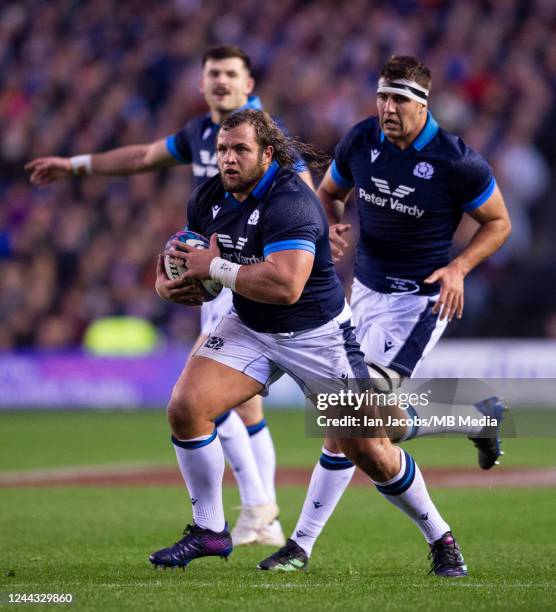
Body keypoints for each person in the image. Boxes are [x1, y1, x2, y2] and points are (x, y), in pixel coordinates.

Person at [147, 108, 467, 578]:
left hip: (317, 337)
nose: (228, 159)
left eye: (240, 150)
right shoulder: (208, 197)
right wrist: (167, 285)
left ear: (268, 154)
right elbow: (188, 263)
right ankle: (209, 529)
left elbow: (286, 286)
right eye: (221, 150)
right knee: (185, 406)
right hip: (250, 327)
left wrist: (212, 270)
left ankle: (441, 536)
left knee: (371, 450)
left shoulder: (292, 202)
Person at [25, 45, 314, 547]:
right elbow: (141, 157)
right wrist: (75, 165)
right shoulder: (199, 133)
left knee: (360, 424)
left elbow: (301, 192)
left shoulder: (267, 134)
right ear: (200, 85)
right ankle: (259, 511)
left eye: (230, 74)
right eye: (212, 75)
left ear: (249, 85)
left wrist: (319, 233)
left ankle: (259, 506)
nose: (220, 82)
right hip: (220, 274)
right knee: (240, 406)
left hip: (257, 276)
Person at [258, 55, 511, 572]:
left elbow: (498, 222)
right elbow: (329, 192)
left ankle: (303, 546)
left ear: (423, 104)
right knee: (356, 424)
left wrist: (460, 267)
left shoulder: (456, 160)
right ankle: (471, 417)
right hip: (364, 297)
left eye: (398, 100)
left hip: (420, 302)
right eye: (382, 97)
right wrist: (329, 223)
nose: (387, 108)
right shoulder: (360, 141)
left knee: (349, 417)